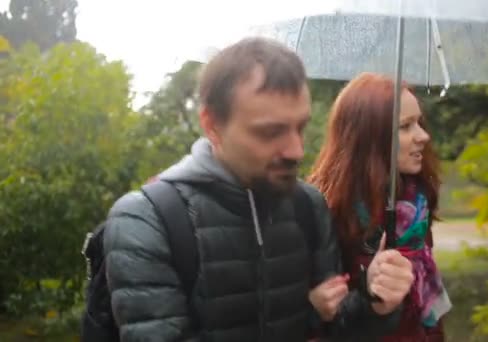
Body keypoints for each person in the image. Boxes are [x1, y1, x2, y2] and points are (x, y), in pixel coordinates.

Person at [102, 38, 414, 341]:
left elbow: (338, 326)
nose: (297, 150)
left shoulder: (308, 205)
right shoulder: (148, 220)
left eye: (300, 127)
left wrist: (375, 303)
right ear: (212, 125)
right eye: (270, 131)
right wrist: (309, 311)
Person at [308, 72, 452, 341]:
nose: (423, 136)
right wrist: (368, 289)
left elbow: (429, 304)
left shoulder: (415, 205)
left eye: (419, 123)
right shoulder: (326, 213)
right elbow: (323, 321)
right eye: (406, 126)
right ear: (369, 136)